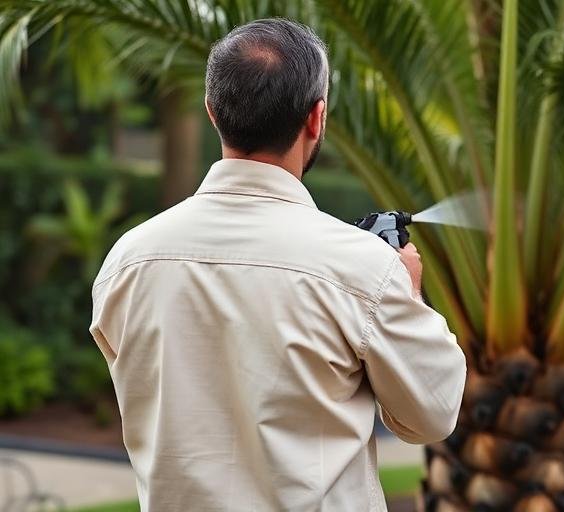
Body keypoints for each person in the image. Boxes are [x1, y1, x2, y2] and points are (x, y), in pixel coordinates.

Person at [89, 18, 466, 512]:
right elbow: (432, 414)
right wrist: (409, 292)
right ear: (316, 118)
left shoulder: (128, 261)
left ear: (212, 112)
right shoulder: (362, 270)